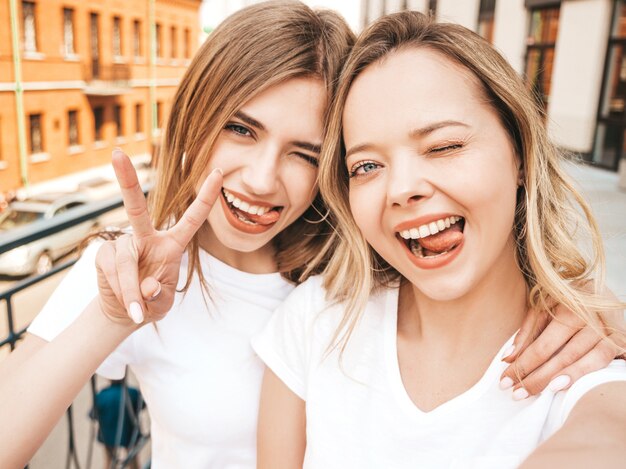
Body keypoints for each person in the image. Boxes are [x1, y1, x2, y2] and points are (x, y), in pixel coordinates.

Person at [0, 3, 620, 468]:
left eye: (305, 152)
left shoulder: (361, 268)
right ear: (195, 116)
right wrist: (115, 314)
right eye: (240, 130)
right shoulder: (133, 266)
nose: (264, 179)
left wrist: (601, 314)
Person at [254, 10, 626, 469]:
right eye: (367, 166)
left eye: (444, 146)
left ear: (521, 155)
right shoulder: (317, 321)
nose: (402, 188)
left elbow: (607, 434)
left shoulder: (586, 358)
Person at [90, 378, 145, 469]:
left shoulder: (101, 396)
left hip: (108, 437)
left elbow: (93, 415)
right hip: (129, 434)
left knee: (109, 461)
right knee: (133, 461)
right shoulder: (132, 392)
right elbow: (142, 406)